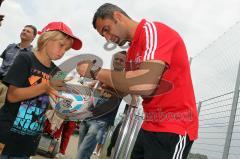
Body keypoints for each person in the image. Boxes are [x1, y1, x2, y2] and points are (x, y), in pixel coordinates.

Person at [77, 3, 198, 159]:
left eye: (106, 29)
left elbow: (145, 84)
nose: (107, 38)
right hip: (150, 124)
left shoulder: (154, 31)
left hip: (174, 126)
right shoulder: (133, 50)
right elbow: (127, 87)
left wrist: (95, 72)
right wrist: (101, 86)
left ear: (117, 16)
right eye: (103, 35)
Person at [0, 21, 82, 159]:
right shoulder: (25, 58)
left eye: (66, 50)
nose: (63, 52)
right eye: (61, 45)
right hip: (7, 133)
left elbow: (53, 103)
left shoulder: (59, 72)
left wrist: (71, 99)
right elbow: (12, 96)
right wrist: (44, 86)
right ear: (46, 38)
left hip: (30, 138)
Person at [75, 51, 126, 159]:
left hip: (102, 120)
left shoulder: (125, 79)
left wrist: (101, 81)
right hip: (89, 114)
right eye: (116, 59)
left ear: (126, 64)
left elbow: (122, 91)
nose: (118, 61)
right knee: (81, 151)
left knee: (83, 152)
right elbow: (93, 87)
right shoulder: (104, 74)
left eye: (122, 60)